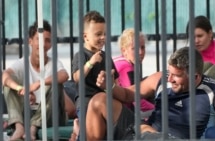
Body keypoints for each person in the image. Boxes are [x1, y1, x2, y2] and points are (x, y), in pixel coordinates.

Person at [86, 47, 215, 140]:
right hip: (143, 133)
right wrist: (109, 86)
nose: (169, 79)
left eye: (176, 75)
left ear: (195, 77)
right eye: (169, 72)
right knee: (100, 100)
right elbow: (126, 95)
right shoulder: (160, 78)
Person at [2, 20, 74, 141]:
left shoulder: (54, 63)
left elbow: (64, 75)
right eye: (38, 39)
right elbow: (4, 76)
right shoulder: (22, 63)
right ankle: (19, 126)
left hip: (52, 115)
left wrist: (39, 83)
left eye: (47, 40)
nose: (43, 44)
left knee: (54, 81)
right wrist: (21, 89)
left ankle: (33, 127)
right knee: (8, 83)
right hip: (28, 113)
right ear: (30, 41)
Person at [70, 10, 119, 140]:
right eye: (98, 34)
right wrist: (90, 63)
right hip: (86, 101)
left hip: (104, 100)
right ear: (85, 36)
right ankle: (79, 132)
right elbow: (76, 77)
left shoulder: (106, 56)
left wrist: (112, 80)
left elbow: (116, 82)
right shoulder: (81, 55)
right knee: (89, 132)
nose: (103, 37)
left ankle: (78, 130)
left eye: (104, 34)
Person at [113, 28, 154, 118]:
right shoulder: (126, 67)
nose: (140, 52)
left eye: (142, 47)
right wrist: (156, 108)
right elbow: (135, 99)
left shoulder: (119, 61)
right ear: (124, 50)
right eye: (134, 48)